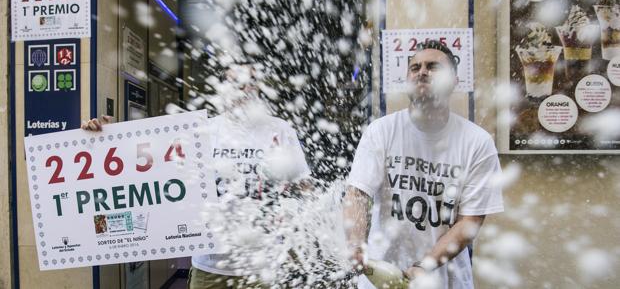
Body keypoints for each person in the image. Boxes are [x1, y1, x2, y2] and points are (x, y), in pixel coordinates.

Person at [83, 63, 311, 289]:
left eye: (247, 84)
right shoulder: (202, 131)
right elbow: (142, 170)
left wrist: (294, 220)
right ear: (222, 88)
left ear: (257, 88)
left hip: (262, 267)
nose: (241, 90)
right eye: (234, 83)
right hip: (209, 267)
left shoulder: (279, 131)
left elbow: (304, 188)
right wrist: (102, 140)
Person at [342, 40, 504, 289]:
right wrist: (356, 245)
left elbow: (469, 220)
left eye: (433, 67)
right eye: (415, 67)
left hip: (444, 279)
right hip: (381, 276)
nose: (422, 71)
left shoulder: (477, 142)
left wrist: (424, 265)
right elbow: (358, 194)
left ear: (453, 82)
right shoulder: (381, 131)